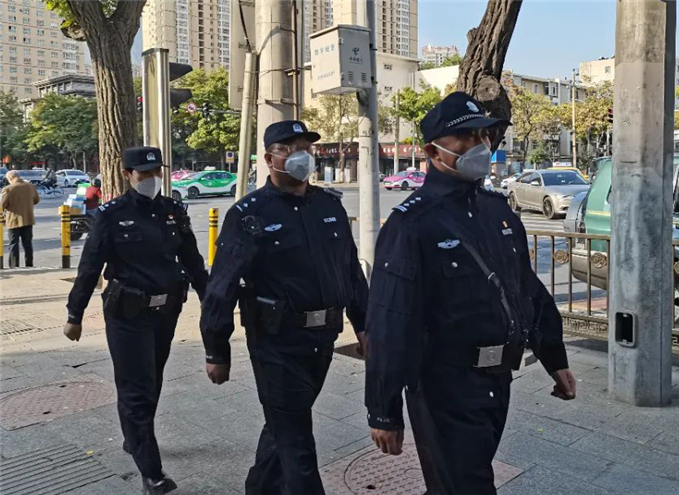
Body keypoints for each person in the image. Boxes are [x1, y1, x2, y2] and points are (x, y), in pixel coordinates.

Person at [365, 92, 577, 495]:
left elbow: (526, 289)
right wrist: (383, 409)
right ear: (433, 151)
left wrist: (555, 358)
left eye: (483, 134)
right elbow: (390, 320)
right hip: (443, 386)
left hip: (497, 379)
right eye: (466, 137)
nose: (480, 144)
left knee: (458, 482)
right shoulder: (411, 223)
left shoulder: (498, 211)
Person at [200, 120, 368, 495]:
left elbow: (350, 269)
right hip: (276, 343)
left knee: (285, 427)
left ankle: (259, 488)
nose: (299, 156)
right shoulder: (249, 214)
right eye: (288, 148)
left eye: (305, 148)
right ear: (269, 158)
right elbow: (221, 287)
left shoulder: (328, 205)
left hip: (323, 338)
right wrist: (216, 350)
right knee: (298, 442)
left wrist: (364, 324)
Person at [63, 147, 208, 495]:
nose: (151, 179)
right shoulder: (111, 215)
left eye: (157, 172)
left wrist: (211, 300)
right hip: (127, 314)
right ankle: (152, 475)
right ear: (128, 175)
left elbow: (192, 260)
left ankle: (135, 434)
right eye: (144, 173)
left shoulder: (173, 211)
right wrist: (74, 314)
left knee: (152, 379)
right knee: (136, 389)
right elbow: (89, 267)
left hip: (166, 312)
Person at [1, 170, 40, 268]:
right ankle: (29, 264)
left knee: (13, 244)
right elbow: (36, 200)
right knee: (27, 243)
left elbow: (2, 205)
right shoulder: (31, 187)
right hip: (28, 218)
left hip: (13, 220)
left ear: (10, 179)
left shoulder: (8, 189)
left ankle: (14, 266)